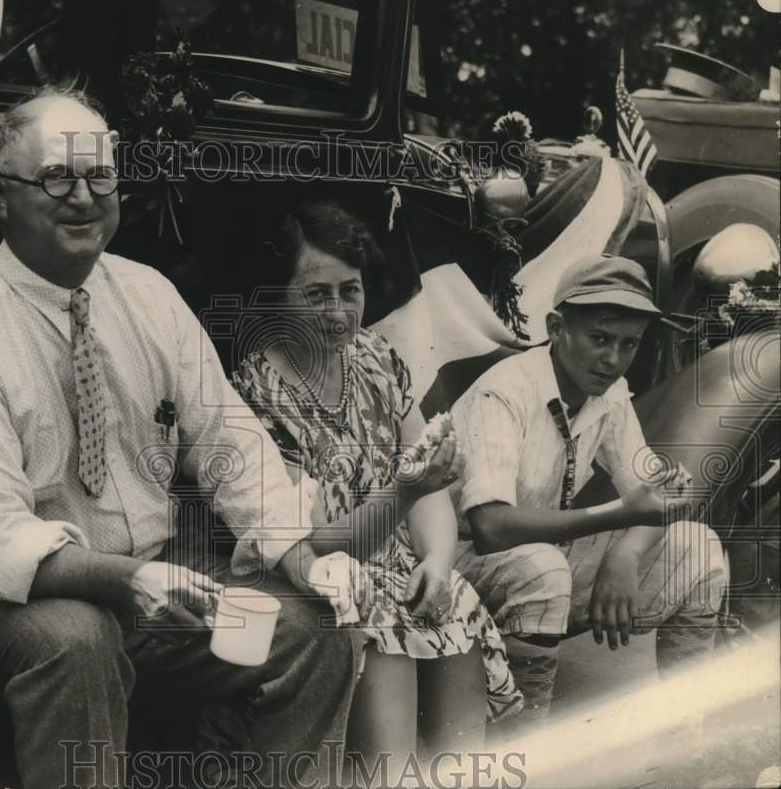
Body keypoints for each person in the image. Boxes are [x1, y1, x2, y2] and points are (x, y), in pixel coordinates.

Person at [0, 86, 362, 789]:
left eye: (101, 177)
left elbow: (227, 443)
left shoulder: (147, 295)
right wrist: (125, 580)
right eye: (56, 177)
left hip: (156, 605)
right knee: (76, 641)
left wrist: (301, 557)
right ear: (1, 194)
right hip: (4, 609)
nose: (83, 198)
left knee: (308, 628)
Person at [229, 200, 523, 777]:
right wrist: (407, 494)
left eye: (351, 291)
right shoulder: (256, 393)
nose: (338, 313)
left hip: (396, 567)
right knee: (384, 628)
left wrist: (438, 559)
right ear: (275, 295)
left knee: (450, 603)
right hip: (325, 575)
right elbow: (315, 543)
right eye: (315, 294)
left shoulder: (377, 360)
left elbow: (426, 474)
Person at [450, 254, 728, 739]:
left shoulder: (610, 392)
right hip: (457, 566)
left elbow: (652, 493)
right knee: (543, 567)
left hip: (539, 563)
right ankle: (522, 748)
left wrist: (626, 550)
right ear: (556, 327)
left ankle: (687, 738)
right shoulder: (507, 390)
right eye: (599, 338)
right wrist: (617, 516)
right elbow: (489, 527)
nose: (614, 359)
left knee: (698, 548)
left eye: (629, 344)